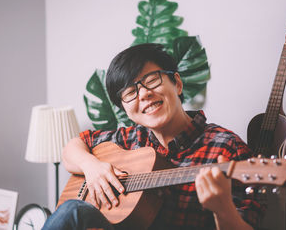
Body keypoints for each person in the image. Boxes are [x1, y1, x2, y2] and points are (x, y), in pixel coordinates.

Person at [43, 43, 263, 230]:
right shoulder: (131, 139)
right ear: (125, 108)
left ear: (176, 83)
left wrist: (223, 209)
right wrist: (92, 168)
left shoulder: (227, 149)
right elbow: (73, 147)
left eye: (152, 80)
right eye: (130, 92)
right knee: (72, 210)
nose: (144, 94)